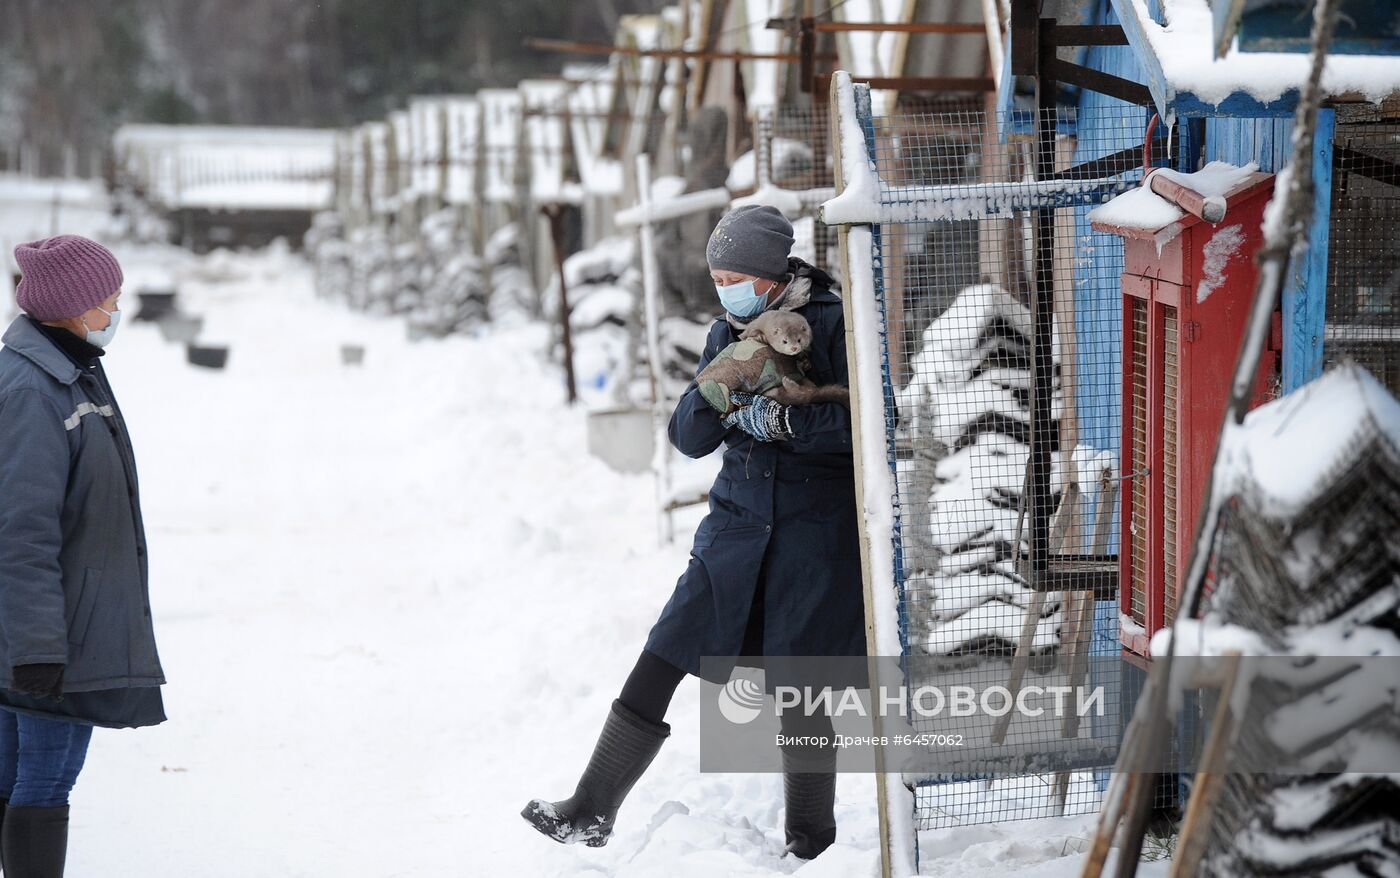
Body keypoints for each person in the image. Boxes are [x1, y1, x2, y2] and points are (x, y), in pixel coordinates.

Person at [522, 205, 866, 860]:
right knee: (666, 648)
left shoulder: (836, 322)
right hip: (735, 529)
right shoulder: (726, 331)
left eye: (736, 277)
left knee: (803, 683)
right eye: (718, 279)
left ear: (772, 275)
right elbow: (688, 437)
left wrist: (786, 425)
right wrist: (723, 382)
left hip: (813, 532)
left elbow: (866, 424)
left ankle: (813, 842)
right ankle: (591, 810)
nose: (726, 290)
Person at [0, 235, 167, 877]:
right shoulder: (34, 391)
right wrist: (38, 648)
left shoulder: (71, 369)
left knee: (25, 780)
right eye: (108, 298)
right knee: (43, 785)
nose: (116, 308)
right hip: (51, 635)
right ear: (71, 307)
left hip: (61, 624)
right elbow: (21, 532)